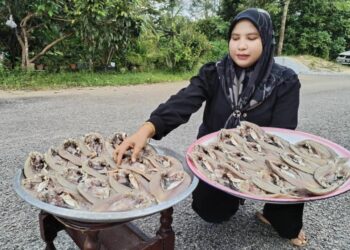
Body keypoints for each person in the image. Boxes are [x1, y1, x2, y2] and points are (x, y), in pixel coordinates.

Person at [114, 8, 307, 247]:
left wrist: (255, 168)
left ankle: (273, 213)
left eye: (251, 38)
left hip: (262, 157)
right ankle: (232, 197)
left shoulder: (285, 80)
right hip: (216, 157)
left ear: (266, 40)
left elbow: (283, 133)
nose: (241, 46)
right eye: (235, 38)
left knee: (293, 194)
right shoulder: (215, 72)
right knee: (211, 212)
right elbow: (183, 101)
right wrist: (146, 130)